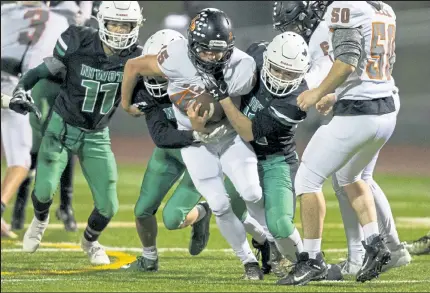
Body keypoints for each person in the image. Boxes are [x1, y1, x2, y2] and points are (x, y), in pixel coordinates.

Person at [121, 8, 276, 280]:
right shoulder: (174, 59)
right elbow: (134, 67)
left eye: (218, 52)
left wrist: (208, 120)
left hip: (225, 136)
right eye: (206, 51)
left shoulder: (241, 66)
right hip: (189, 144)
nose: (212, 58)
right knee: (212, 205)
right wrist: (126, 104)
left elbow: (238, 111)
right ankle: (246, 260)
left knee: (250, 193)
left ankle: (273, 241)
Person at [272, 0, 411, 280]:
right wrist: (335, 95)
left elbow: (347, 62)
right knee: (350, 176)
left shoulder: (343, 7)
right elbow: (377, 63)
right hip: (384, 110)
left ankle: (311, 260)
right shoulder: (382, 8)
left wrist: (315, 93)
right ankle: (375, 244)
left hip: (359, 112)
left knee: (307, 180)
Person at [16, 1, 144, 265]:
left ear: (136, 26)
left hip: (97, 134)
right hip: (62, 126)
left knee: (109, 206)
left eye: (126, 25)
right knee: (44, 190)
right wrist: (21, 88)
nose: (120, 31)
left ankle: (90, 241)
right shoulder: (77, 41)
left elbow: (150, 93)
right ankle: (40, 221)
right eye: (115, 24)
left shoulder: (139, 58)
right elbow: (41, 70)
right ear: (102, 22)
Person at [187, 31, 311, 279]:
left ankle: (309, 262)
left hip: (276, 160)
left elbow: (248, 130)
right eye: (278, 69)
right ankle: (266, 246)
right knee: (231, 207)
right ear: (268, 60)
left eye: (291, 74)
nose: (283, 78)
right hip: (245, 154)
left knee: (280, 224)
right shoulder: (255, 54)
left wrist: (223, 97)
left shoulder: (295, 101)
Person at [11, 0, 91, 233]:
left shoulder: (72, 11)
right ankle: (19, 208)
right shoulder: (62, 10)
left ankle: (65, 207)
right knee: (35, 145)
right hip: (43, 78)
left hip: (67, 82)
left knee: (67, 143)